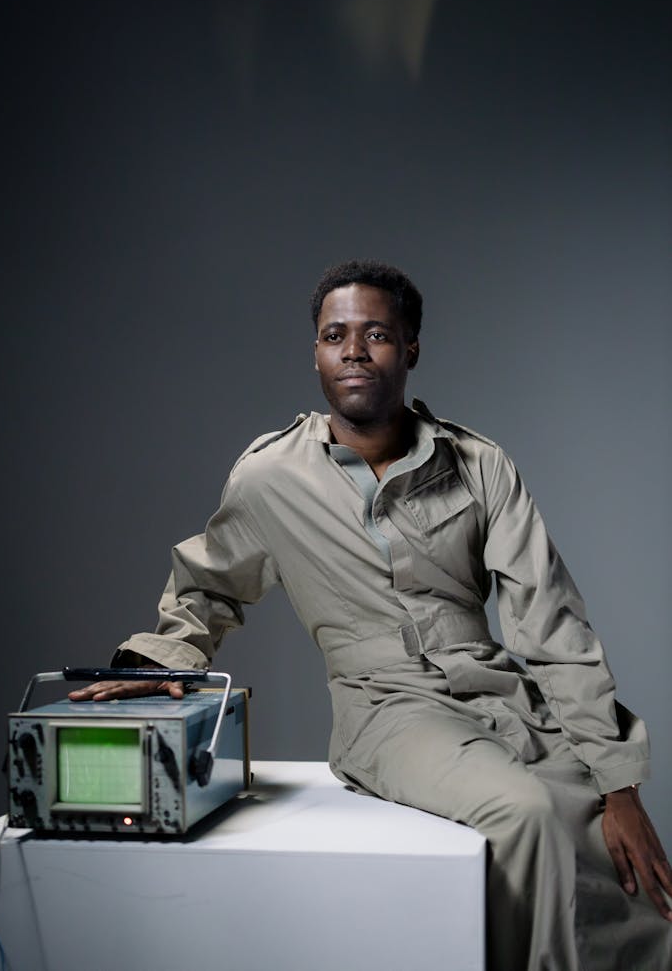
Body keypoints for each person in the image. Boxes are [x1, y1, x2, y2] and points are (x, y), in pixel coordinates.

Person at [71, 260, 672, 971]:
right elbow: (208, 588)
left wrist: (618, 782)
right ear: (317, 352)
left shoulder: (479, 465)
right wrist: (157, 663)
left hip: (499, 692)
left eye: (377, 334)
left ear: (410, 349)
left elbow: (549, 621)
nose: (354, 350)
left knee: (606, 838)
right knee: (525, 814)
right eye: (334, 335)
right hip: (384, 708)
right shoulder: (271, 476)